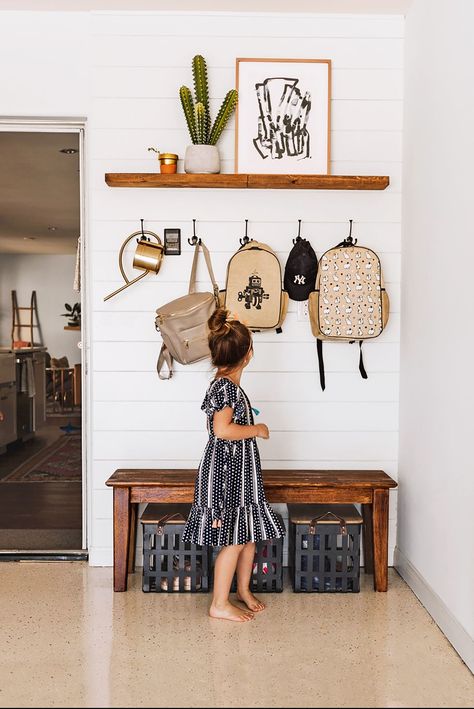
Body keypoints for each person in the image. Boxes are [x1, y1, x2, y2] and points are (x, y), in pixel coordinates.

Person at [182, 307, 285, 622]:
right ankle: (219, 603)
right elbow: (222, 430)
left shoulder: (227, 384)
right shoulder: (225, 388)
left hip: (240, 474)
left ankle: (242, 589)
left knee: (248, 534)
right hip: (227, 477)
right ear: (248, 354)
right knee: (234, 539)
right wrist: (258, 429)